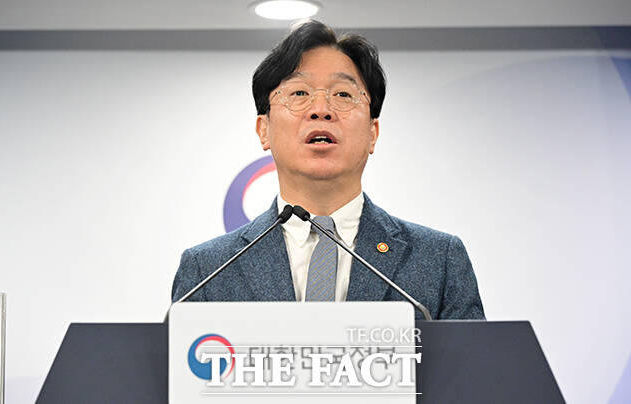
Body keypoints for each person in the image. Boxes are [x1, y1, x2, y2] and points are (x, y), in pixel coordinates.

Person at [171, 20, 484, 320]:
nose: (321, 110)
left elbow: (471, 359)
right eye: (299, 93)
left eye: (343, 95)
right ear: (264, 130)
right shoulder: (207, 270)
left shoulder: (439, 260)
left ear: (373, 133)